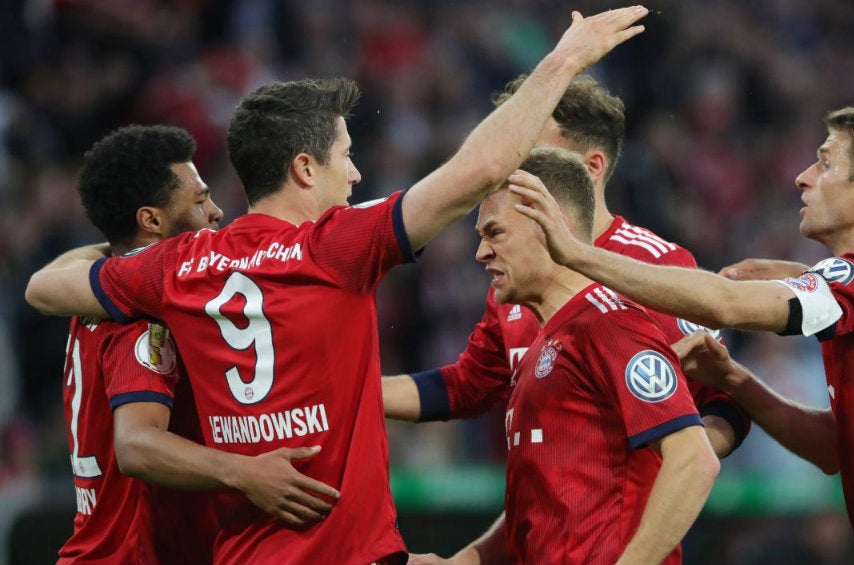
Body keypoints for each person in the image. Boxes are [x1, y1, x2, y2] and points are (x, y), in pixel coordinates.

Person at [24, 8, 650, 565]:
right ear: (304, 167)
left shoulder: (175, 265)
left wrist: (119, 250)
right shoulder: (337, 246)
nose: (354, 173)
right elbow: (478, 170)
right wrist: (564, 59)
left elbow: (45, 291)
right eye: (344, 154)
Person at [515, 104, 854, 564]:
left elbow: (725, 303)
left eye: (825, 162)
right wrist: (734, 379)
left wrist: (579, 255)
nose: (803, 177)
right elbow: (836, 449)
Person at [382, 74, 750, 461]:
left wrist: (677, 465)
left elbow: (724, 401)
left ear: (590, 167)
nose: (509, 167)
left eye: (530, 153)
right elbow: (464, 387)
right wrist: (345, 395)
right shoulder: (513, 272)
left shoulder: (656, 264)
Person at [415, 147, 719, 565]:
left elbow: (695, 460)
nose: (481, 253)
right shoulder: (540, 346)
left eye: (495, 232)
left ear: (546, 224)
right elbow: (548, 507)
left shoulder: (610, 323)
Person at [55, 125, 339, 565]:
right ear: (151, 220)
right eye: (200, 199)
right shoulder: (144, 316)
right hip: (135, 555)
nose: (217, 211)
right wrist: (245, 472)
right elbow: (137, 446)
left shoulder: (96, 290)